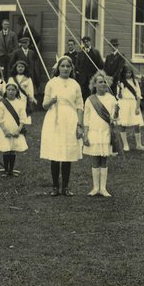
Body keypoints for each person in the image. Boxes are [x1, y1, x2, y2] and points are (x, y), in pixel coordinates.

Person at [40, 55, 84, 196]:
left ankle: (65, 187)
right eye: (63, 66)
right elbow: (44, 105)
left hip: (70, 119)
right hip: (54, 119)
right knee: (55, 153)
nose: (65, 68)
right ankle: (55, 186)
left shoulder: (75, 84)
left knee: (67, 154)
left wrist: (79, 124)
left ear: (72, 68)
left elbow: (79, 106)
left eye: (68, 66)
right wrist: (51, 101)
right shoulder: (52, 83)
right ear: (58, 68)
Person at [83, 72, 119, 197]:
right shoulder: (90, 100)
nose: (103, 84)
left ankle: (103, 188)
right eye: (100, 82)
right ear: (94, 85)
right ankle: (95, 187)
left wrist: (117, 112)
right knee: (94, 159)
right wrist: (85, 134)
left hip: (105, 132)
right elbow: (86, 118)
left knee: (104, 159)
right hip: (94, 131)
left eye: (104, 82)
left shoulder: (111, 98)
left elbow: (114, 118)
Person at [0, 82, 30, 177]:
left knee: (13, 149)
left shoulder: (20, 103)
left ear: (16, 91)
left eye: (13, 90)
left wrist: (18, 130)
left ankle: (11, 170)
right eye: (9, 89)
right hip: (5, 129)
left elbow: (23, 118)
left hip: (16, 129)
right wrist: (5, 130)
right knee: (6, 149)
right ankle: (6, 170)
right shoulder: (2, 103)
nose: (11, 92)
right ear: (6, 91)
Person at [116, 65, 144, 152]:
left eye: (129, 72)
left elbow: (138, 96)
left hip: (133, 103)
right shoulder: (120, 82)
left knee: (136, 124)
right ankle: (125, 145)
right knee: (122, 124)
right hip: (124, 103)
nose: (128, 74)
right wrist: (120, 88)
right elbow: (119, 97)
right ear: (123, 73)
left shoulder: (135, 82)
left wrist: (137, 107)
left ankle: (139, 144)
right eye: (126, 72)